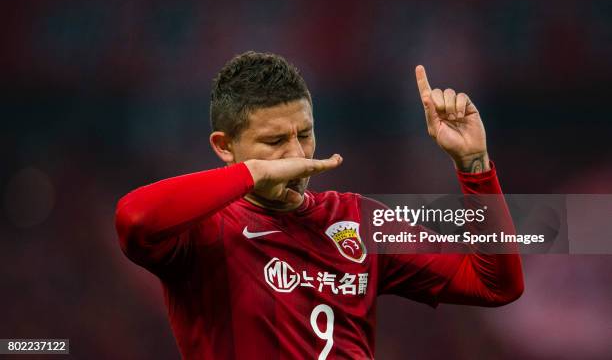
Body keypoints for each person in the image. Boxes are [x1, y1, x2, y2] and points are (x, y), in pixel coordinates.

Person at [115, 51, 523, 359]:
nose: (298, 155)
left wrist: (474, 164)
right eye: (274, 143)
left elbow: (495, 284)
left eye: (305, 135)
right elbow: (134, 217)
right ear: (224, 147)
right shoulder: (202, 231)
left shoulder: (356, 219)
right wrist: (254, 175)